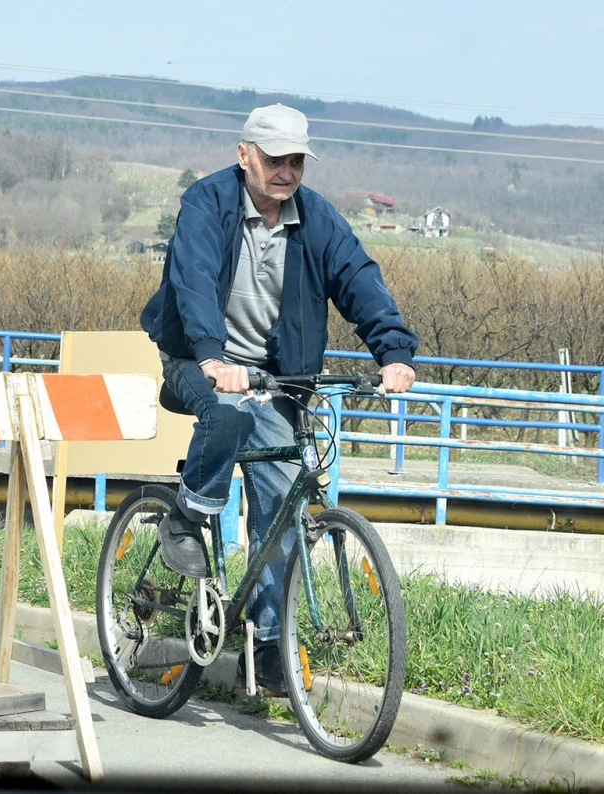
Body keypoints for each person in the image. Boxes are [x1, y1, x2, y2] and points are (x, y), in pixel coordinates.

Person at [138, 103, 418, 693]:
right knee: (228, 415)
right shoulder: (207, 203)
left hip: (276, 374)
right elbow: (192, 278)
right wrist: (213, 355)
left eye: (296, 161)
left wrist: (392, 353)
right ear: (245, 156)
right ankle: (187, 516)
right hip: (195, 355)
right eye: (274, 160)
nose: (286, 172)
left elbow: (357, 278)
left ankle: (268, 648)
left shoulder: (316, 219)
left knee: (283, 508)